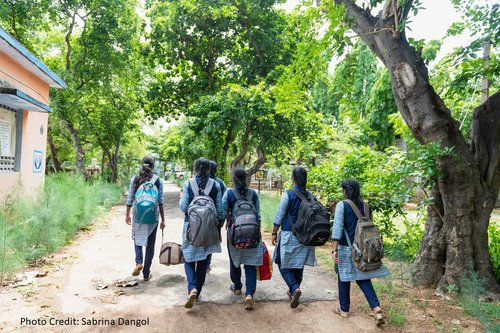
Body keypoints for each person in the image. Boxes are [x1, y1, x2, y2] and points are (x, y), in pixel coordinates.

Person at [331, 179, 389, 326]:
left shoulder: (342, 205)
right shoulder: (366, 206)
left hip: (347, 248)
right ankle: (376, 308)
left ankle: (344, 309)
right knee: (363, 278)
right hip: (363, 250)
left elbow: (337, 229)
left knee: (344, 277)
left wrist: (334, 249)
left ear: (345, 191)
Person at [179, 157, 224, 309]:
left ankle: (191, 287)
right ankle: (197, 293)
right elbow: (220, 211)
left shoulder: (188, 183)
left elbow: (183, 207)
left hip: (190, 227)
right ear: (209, 169)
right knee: (203, 261)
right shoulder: (216, 185)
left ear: (196, 169)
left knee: (188, 258)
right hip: (209, 228)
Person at [272, 167, 316, 308]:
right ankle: (294, 290)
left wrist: (274, 232)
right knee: (299, 264)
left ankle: (294, 287)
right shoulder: (311, 196)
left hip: (288, 234)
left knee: (280, 261)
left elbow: (279, 215)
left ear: (293, 179)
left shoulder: (288, 194)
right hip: (306, 237)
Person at [222, 168, 262, 310]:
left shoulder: (229, 194)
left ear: (234, 179)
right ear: (246, 179)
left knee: (235, 260)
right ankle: (249, 294)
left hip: (235, 234)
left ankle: (237, 286)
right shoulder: (253, 194)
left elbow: (222, 211)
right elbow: (258, 215)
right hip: (252, 233)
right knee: (250, 264)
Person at [125, 156, 165, 281]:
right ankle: (146, 273)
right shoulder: (158, 180)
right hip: (153, 216)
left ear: (141, 165)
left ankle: (138, 262)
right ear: (153, 166)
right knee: (150, 244)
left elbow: (130, 197)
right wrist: (163, 219)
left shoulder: (136, 178)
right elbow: (160, 201)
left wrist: (127, 215)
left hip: (138, 215)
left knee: (137, 239)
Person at [206, 160, 227, 273]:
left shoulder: (201, 181)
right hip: (214, 217)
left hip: (200, 216)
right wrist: (221, 220)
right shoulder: (220, 183)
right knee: (211, 240)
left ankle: (200, 261)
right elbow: (223, 202)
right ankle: (207, 264)